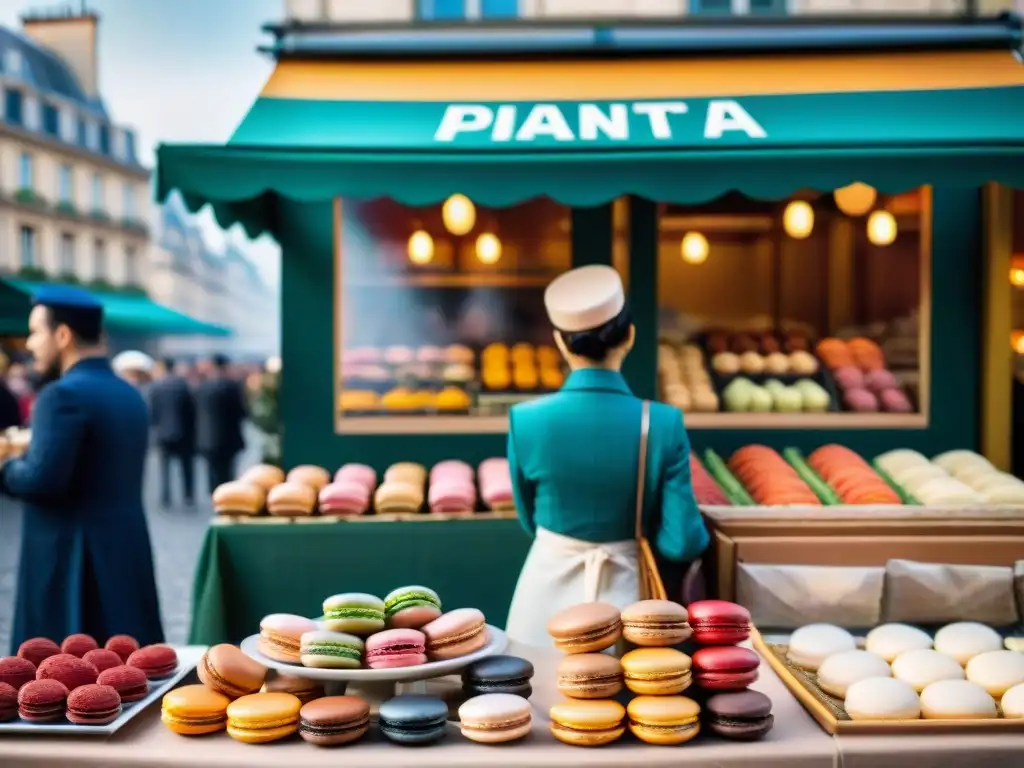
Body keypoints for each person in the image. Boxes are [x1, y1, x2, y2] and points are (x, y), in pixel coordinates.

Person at [504, 265, 709, 649]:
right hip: (627, 606)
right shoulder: (662, 422)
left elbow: (528, 517)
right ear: (629, 336)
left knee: (534, 699)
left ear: (561, 343)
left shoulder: (525, 419)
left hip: (541, 599)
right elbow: (682, 541)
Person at [0, 286, 163, 651]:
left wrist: (5, 465)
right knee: (130, 670)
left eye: (36, 332)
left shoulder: (61, 396)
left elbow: (42, 480)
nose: (30, 344)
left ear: (62, 334)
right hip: (125, 553)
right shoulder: (129, 393)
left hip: (70, 564)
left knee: (67, 679)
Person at [195, 353, 247, 492]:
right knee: (227, 473)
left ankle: (214, 494)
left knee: (212, 471)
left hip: (207, 438)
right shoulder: (232, 386)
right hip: (229, 438)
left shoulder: (203, 386)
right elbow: (241, 412)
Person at [148, 357, 196, 507]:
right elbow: (191, 411)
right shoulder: (183, 385)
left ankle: (166, 496)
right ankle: (188, 495)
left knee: (165, 468)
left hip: (163, 433)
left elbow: (152, 412)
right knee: (186, 467)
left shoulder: (156, 387)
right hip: (183, 432)